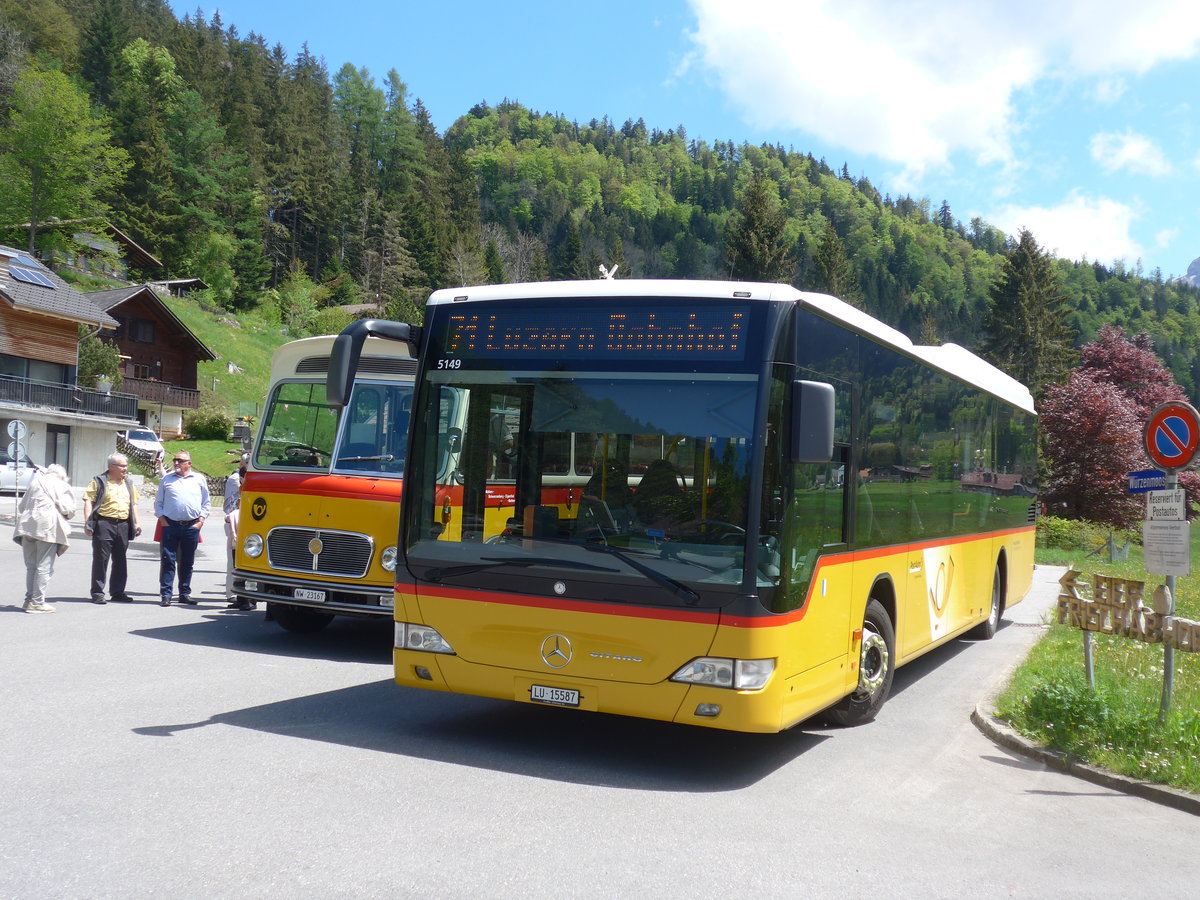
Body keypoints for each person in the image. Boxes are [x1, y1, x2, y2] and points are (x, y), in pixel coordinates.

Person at [14, 465, 76, 613]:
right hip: (47, 527)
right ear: (62, 476)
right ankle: (37, 602)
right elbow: (69, 509)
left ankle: (28, 599)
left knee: (31, 566)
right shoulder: (61, 484)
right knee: (44, 566)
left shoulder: (35, 483)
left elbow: (22, 507)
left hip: (27, 526)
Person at [82, 453, 142, 604]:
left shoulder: (128, 482)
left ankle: (118, 592)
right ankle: (97, 593)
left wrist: (137, 522)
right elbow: (88, 501)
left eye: (126, 466)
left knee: (121, 559)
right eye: (122, 466)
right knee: (101, 559)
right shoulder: (99, 481)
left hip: (123, 524)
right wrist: (88, 522)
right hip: (104, 523)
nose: (125, 469)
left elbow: (133, 504)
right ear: (111, 467)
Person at [154, 449, 210, 606]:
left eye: (180, 460)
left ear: (189, 464)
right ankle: (166, 594)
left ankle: (184, 593)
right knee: (168, 560)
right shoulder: (167, 479)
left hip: (191, 526)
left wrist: (200, 521)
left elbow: (206, 502)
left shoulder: (199, 479)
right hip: (170, 525)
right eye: (175, 460)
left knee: (187, 561)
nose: (176, 463)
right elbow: (158, 503)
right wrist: (163, 520)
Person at [224, 452, 254, 610]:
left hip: (251, 530)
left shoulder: (254, 484)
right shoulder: (236, 481)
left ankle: (249, 599)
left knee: (248, 564)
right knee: (236, 563)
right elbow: (230, 505)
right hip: (237, 526)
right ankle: (239, 596)